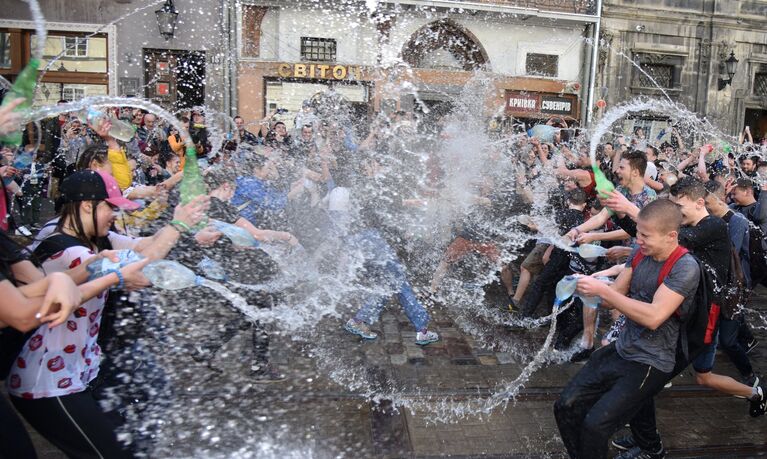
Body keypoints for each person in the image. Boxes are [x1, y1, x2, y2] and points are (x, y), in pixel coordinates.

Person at [7, 170, 206, 458]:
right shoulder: (64, 249)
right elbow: (139, 265)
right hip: (48, 382)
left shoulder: (95, 239)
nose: (114, 214)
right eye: (109, 207)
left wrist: (184, 225)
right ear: (87, 205)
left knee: (128, 446)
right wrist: (176, 226)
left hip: (81, 373)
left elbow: (143, 245)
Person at [555, 199, 700, 459]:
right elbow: (614, 295)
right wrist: (587, 286)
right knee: (565, 406)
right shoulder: (639, 252)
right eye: (638, 232)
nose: (638, 239)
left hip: (652, 360)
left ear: (671, 236)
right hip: (622, 348)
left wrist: (601, 290)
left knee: (595, 425)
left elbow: (655, 316)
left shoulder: (685, 267)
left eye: (645, 235)